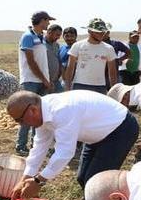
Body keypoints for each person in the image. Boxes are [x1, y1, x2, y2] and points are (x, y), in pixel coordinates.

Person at [6, 90, 138, 200]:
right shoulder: (41, 114)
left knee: (93, 180)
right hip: (96, 133)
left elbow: (64, 153)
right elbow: (39, 147)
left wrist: (38, 181)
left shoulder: (62, 111)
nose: (22, 124)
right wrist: (25, 179)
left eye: (20, 119)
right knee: (82, 177)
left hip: (119, 129)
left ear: (32, 109)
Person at [15, 11, 55, 155]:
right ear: (41, 20)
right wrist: (44, 79)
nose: (49, 23)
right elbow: (31, 62)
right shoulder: (27, 37)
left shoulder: (41, 38)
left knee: (39, 114)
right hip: (31, 80)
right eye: (47, 21)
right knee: (27, 113)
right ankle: (21, 145)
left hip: (41, 80)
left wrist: (46, 79)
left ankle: (35, 144)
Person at [63, 18, 118, 93]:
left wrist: (114, 92)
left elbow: (112, 73)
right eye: (98, 32)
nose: (102, 34)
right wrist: (67, 88)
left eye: (103, 32)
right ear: (89, 31)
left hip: (100, 87)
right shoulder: (78, 46)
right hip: (80, 85)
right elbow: (70, 69)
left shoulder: (109, 48)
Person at [45, 24, 65, 92]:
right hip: (44, 81)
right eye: (57, 35)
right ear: (49, 32)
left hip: (55, 80)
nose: (58, 37)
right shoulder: (41, 44)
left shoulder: (56, 45)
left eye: (59, 35)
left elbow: (58, 61)